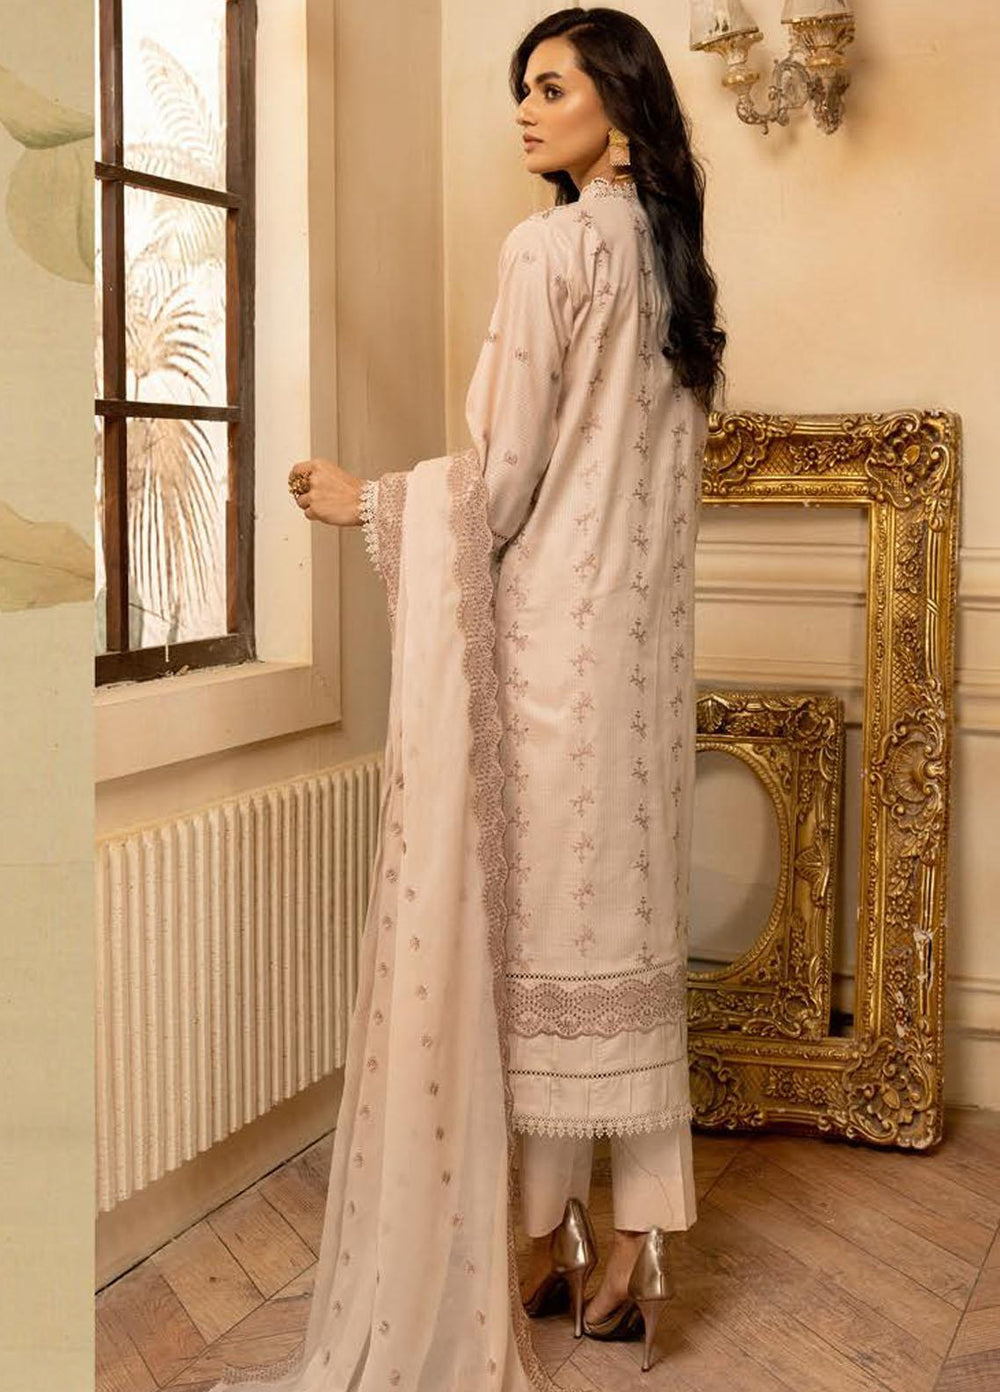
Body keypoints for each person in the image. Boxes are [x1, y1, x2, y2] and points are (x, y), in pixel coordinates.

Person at [213, 7, 725, 1388]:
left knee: (537, 952)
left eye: (552, 87)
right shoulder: (678, 272)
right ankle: (621, 1246)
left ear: (620, 107)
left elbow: (497, 486)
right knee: (619, 952)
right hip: (643, 673)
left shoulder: (546, 251)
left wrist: (369, 503)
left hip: (551, 664)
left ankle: (553, 1233)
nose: (525, 111)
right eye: (520, 89)